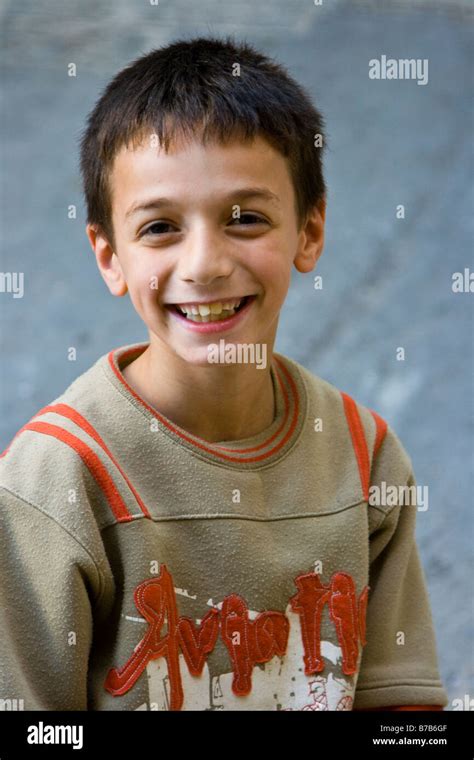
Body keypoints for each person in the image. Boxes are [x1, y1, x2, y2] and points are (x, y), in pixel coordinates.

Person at [0, 35, 448, 711]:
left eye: (246, 218)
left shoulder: (366, 457)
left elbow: (401, 712)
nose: (204, 263)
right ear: (108, 256)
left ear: (310, 231)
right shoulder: (55, 480)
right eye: (159, 228)